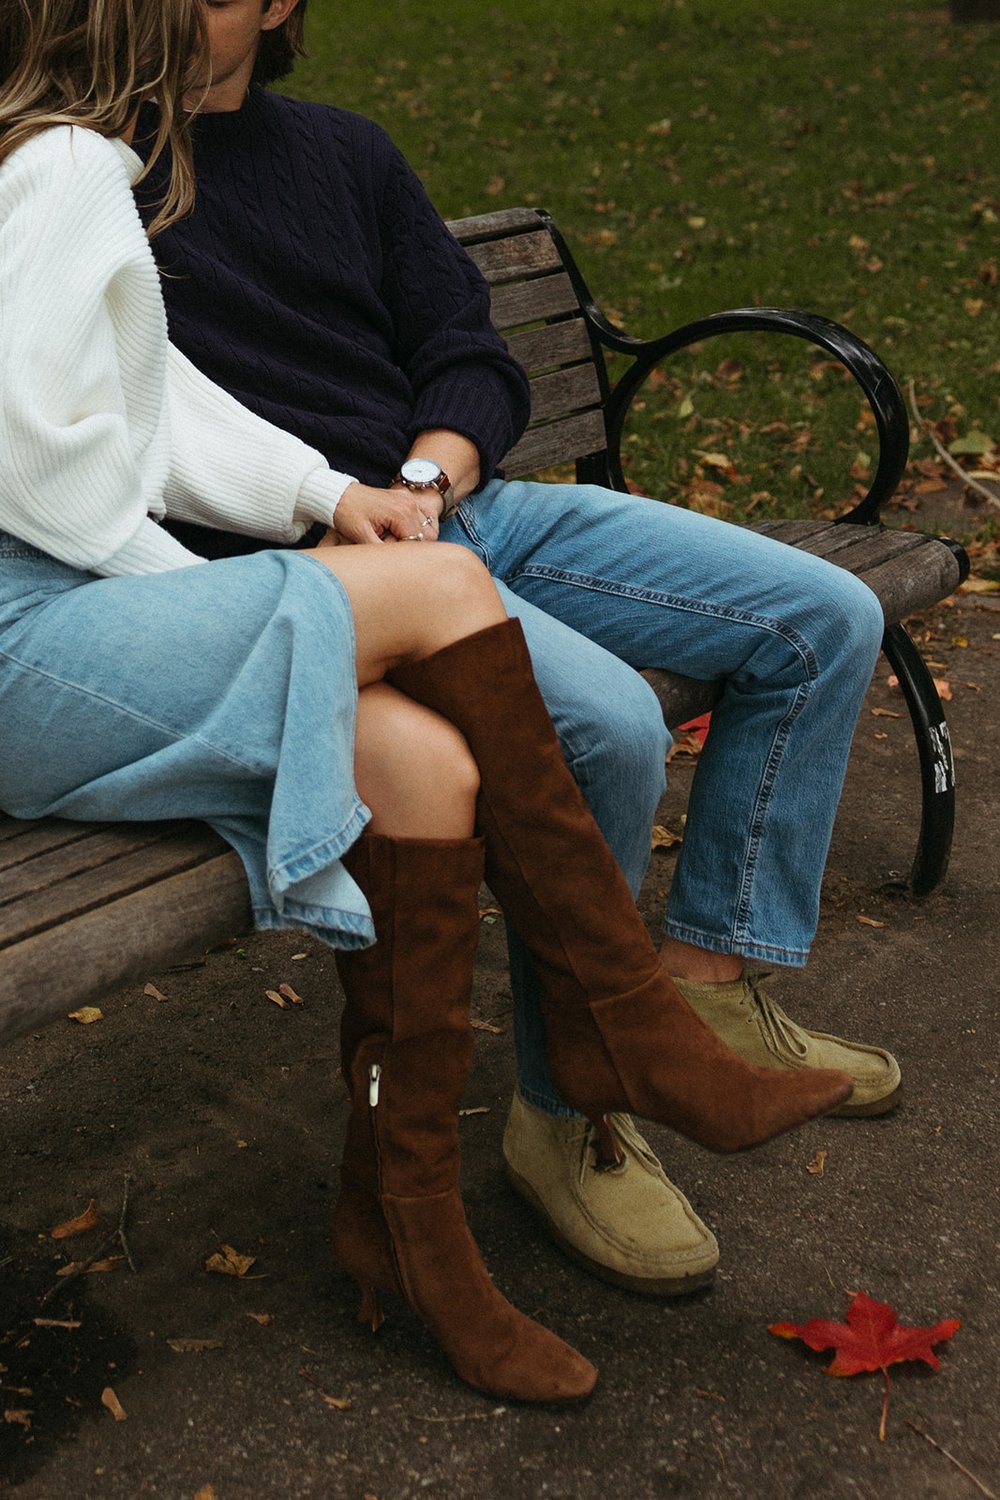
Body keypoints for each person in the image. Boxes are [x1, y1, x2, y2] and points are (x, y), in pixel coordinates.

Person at [0, 0, 852, 1403]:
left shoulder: (89, 159)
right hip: (45, 636)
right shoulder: (68, 168)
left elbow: (159, 405)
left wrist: (337, 496)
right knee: (449, 599)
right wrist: (209, 595)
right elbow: (42, 460)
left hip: (108, 615)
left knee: (428, 775)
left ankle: (407, 1225)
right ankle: (619, 1019)